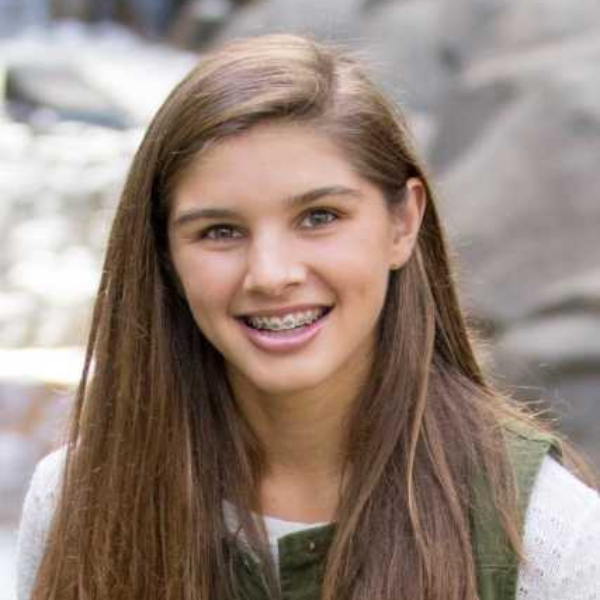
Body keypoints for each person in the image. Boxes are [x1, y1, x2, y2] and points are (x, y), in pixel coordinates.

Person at [16, 34, 599, 600]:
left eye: (319, 217)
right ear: (165, 254)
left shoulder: (547, 537)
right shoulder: (75, 503)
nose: (271, 274)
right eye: (220, 231)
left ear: (402, 223)